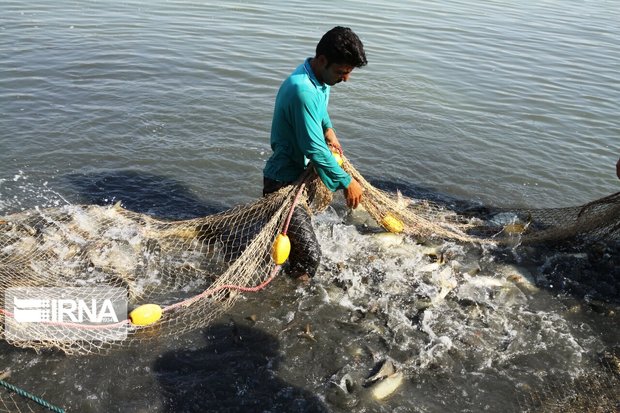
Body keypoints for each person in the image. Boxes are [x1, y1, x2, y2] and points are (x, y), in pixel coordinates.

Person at [263, 26, 367, 279]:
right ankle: (290, 302)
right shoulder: (303, 90)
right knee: (309, 258)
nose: (345, 79)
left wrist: (328, 129)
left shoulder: (319, 78)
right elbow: (313, 148)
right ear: (322, 61)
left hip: (303, 176)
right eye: (341, 72)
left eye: (348, 73)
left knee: (295, 242)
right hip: (283, 183)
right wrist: (346, 181)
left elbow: (319, 110)